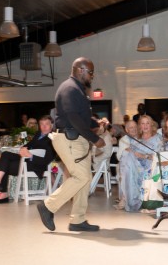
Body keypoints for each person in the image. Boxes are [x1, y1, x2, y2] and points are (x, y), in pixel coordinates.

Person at [36, 57, 106, 233]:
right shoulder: (70, 88)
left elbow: (79, 117)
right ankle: (48, 206)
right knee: (81, 176)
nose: (92, 76)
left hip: (75, 139)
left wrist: (96, 123)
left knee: (85, 178)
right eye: (90, 72)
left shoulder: (78, 90)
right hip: (69, 139)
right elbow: (73, 118)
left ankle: (77, 220)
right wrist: (94, 138)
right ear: (80, 70)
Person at [0, 115, 56, 203]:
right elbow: (29, 144)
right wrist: (23, 148)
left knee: (4, 166)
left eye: (46, 124)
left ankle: (2, 193)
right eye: (42, 124)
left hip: (36, 165)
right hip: (26, 160)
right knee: (5, 155)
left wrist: (30, 155)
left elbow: (46, 161)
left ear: (52, 125)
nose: (44, 127)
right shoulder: (38, 135)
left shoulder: (53, 139)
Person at [116, 115, 163, 211]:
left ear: (151, 125)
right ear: (140, 126)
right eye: (142, 123)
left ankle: (124, 198)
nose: (145, 125)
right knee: (126, 154)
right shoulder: (137, 139)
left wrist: (144, 156)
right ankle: (125, 198)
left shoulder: (157, 138)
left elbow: (160, 157)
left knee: (128, 166)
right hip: (136, 166)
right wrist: (130, 150)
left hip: (150, 166)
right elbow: (131, 154)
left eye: (147, 123)